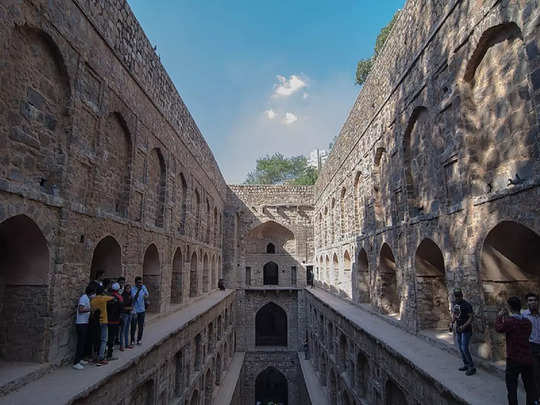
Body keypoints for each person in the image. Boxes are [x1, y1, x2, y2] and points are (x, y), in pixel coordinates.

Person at [495, 296, 537, 405]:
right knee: (529, 387)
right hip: (527, 357)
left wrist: (499, 317)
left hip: (514, 358)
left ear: (509, 307)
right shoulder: (527, 322)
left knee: (512, 387)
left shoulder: (510, 322)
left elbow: (498, 328)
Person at [452, 288, 476, 375]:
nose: (457, 297)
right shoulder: (455, 304)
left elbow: (471, 317)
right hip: (459, 328)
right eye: (456, 296)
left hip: (466, 330)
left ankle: (471, 366)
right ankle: (466, 364)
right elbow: (455, 314)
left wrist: (464, 326)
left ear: (462, 295)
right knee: (461, 347)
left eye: (458, 296)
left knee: (464, 348)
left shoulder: (467, 305)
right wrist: (452, 322)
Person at [523, 293, 540, 400]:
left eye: (534, 300)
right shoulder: (523, 315)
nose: (532, 302)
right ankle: (537, 397)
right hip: (531, 346)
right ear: (527, 302)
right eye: (530, 300)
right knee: (536, 374)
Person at [73, 285, 95, 370]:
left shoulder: (87, 298)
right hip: (81, 323)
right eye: (94, 293)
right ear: (91, 292)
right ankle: (76, 362)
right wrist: (90, 309)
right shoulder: (83, 298)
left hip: (85, 323)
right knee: (80, 343)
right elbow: (80, 309)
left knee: (83, 342)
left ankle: (80, 359)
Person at [91, 285, 113, 366]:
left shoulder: (93, 300)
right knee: (104, 340)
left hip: (96, 321)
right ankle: (101, 357)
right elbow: (112, 298)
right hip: (103, 321)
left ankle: (94, 356)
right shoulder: (103, 298)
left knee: (96, 339)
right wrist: (105, 294)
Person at [106, 282, 123, 361]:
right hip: (114, 320)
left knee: (107, 337)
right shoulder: (119, 298)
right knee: (111, 338)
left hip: (107, 319)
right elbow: (120, 309)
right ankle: (109, 355)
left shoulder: (108, 297)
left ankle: (105, 353)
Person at [131, 277, 149, 345]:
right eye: (138, 283)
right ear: (135, 283)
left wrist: (145, 296)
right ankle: (132, 340)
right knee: (133, 326)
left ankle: (139, 339)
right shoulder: (133, 289)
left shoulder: (143, 287)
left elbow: (147, 295)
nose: (140, 284)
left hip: (142, 310)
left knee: (141, 326)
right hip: (135, 310)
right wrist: (138, 291)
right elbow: (134, 298)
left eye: (141, 282)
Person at [120, 284, 133, 351]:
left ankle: (127, 344)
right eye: (127, 288)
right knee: (122, 330)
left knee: (127, 329)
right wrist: (130, 308)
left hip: (129, 314)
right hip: (124, 314)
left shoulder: (130, 295)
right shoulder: (123, 296)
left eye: (129, 288)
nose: (129, 290)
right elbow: (122, 306)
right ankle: (121, 345)